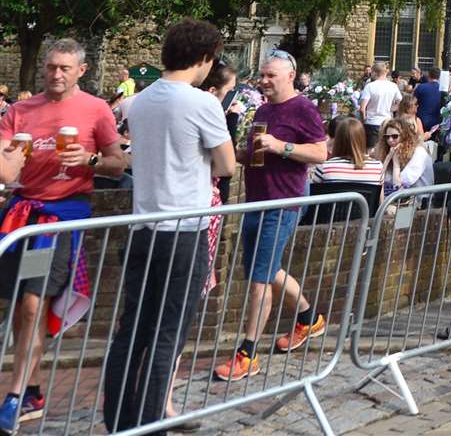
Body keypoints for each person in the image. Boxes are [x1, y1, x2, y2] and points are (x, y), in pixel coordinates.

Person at [100, 21, 233, 433]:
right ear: (204, 58)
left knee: (132, 328)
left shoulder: (138, 102)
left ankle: (119, 418)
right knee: (167, 332)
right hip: (184, 228)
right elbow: (227, 165)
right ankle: (151, 419)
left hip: (144, 226)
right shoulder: (202, 103)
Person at [0, 39, 126, 433]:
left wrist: (88, 160)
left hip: (58, 220)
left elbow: (118, 164)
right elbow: (4, 175)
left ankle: (15, 395)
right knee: (21, 308)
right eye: (51, 67)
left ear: (81, 71)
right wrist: (12, 160)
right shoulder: (19, 111)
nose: (56, 74)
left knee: (35, 304)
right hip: (20, 215)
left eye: (64, 68)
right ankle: (34, 390)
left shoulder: (96, 110)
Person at [213, 49, 329, 383]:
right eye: (261, 75)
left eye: (270, 75)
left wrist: (283, 147)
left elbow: (320, 152)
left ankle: (248, 353)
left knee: (260, 278)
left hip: (283, 202)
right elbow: (257, 154)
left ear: (290, 76)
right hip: (257, 200)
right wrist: (231, 153)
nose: (263, 81)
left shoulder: (303, 108)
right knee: (264, 270)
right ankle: (310, 318)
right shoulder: (263, 109)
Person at [201, 59, 245, 202]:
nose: (233, 96)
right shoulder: (210, 116)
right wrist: (232, 117)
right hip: (209, 194)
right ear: (213, 91)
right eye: (230, 91)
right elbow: (227, 163)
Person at [311, 117, 385, 185]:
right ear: (362, 138)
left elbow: (315, 197)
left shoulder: (324, 168)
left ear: (337, 139)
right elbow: (379, 199)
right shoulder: (378, 168)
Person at [373, 118, 432, 195]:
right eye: (387, 137)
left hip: (417, 201)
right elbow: (379, 179)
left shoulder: (419, 152)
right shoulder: (390, 152)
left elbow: (400, 184)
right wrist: (388, 158)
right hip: (397, 199)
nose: (390, 140)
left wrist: (396, 163)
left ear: (405, 137)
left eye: (394, 136)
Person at [359, 62, 401, 148]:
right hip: (387, 123)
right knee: (386, 152)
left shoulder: (370, 86)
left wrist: (363, 120)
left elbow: (362, 108)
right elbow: (401, 103)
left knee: (371, 152)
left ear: (374, 72)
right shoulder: (393, 86)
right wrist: (390, 108)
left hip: (372, 123)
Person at [413, 67, 445, 145]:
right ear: (439, 77)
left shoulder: (421, 87)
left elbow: (412, 103)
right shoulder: (443, 90)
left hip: (421, 121)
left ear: (429, 75)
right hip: (436, 123)